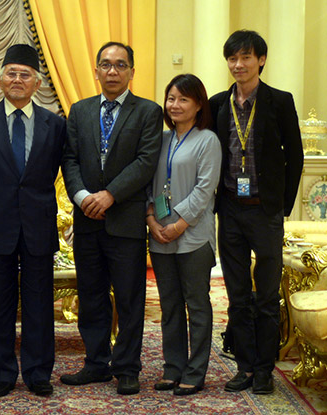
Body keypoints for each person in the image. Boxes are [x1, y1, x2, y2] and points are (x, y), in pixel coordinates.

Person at [0, 44, 66, 397]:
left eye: (25, 75)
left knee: (39, 302)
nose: (17, 80)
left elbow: (51, 170)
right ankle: (3, 373)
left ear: (37, 83)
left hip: (38, 223)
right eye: (12, 73)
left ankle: (38, 373)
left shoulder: (55, 123)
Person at [60, 41, 162, 395]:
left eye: (120, 65)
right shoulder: (80, 110)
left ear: (132, 71)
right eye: (106, 65)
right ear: (97, 70)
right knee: (91, 296)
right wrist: (83, 196)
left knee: (130, 298)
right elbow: (69, 159)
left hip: (126, 222)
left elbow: (146, 162)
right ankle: (95, 363)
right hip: (88, 219)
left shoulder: (148, 112)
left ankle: (128, 368)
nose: (113, 71)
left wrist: (110, 195)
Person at [210, 30, 303, 394]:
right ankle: (245, 366)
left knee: (265, 297)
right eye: (233, 58)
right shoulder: (219, 103)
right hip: (230, 210)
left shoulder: (280, 101)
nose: (238, 65)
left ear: (261, 60)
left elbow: (293, 157)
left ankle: (265, 369)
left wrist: (281, 207)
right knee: (237, 295)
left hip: (264, 213)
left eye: (246, 57)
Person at [147, 74, 221, 396]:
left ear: (198, 104)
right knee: (170, 306)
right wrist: (151, 219)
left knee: (197, 304)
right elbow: (149, 185)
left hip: (193, 236)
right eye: (171, 98)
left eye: (183, 100)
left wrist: (179, 224)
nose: (174, 105)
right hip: (159, 234)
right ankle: (172, 368)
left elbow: (205, 189)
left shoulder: (208, 140)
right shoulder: (160, 139)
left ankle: (195, 370)